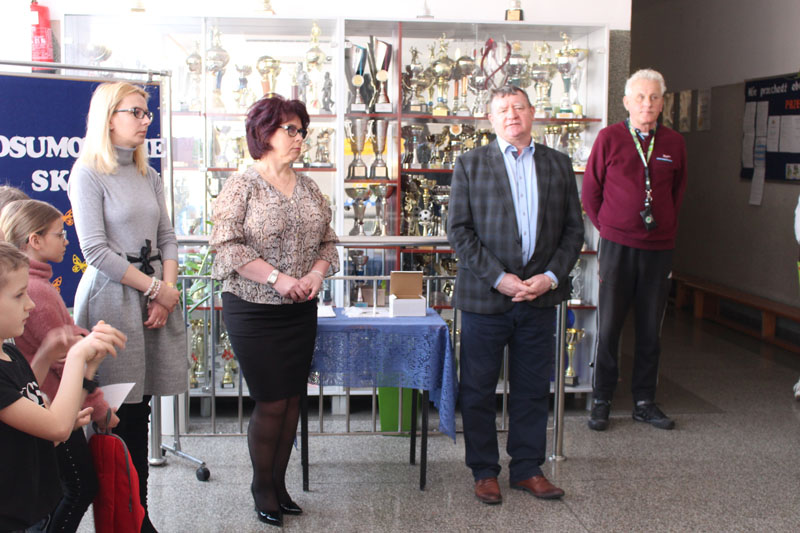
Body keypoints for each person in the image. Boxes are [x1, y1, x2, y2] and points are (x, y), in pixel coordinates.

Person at [448, 85, 584, 505]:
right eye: (503, 109)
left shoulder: (558, 164)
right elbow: (459, 232)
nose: (512, 115)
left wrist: (551, 276)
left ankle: (527, 469)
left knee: (531, 389)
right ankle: (484, 471)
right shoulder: (470, 164)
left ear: (532, 112)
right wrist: (498, 277)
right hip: (486, 299)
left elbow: (573, 231)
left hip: (539, 297)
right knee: (477, 389)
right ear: (491, 119)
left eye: (519, 107)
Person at [210, 95, 339, 527]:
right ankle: (261, 487)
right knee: (270, 401)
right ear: (264, 133)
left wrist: (316, 274)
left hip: (299, 310)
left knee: (292, 401)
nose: (299, 138)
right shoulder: (242, 185)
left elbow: (328, 243)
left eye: (302, 130)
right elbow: (227, 246)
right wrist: (277, 278)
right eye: (291, 129)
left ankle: (280, 486)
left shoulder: (309, 188)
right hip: (253, 309)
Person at [68, 81, 188, 533]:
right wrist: (157, 288)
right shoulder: (88, 173)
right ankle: (127, 519)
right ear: (108, 116)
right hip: (113, 301)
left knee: (143, 411)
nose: (145, 121)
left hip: (153, 298)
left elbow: (168, 238)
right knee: (117, 416)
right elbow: (95, 250)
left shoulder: (147, 173)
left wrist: (166, 291)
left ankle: (139, 515)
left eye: (146, 113)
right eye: (136, 112)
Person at [0, 199, 119, 533]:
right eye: (19, 296)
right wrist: (77, 356)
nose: (29, 304)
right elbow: (54, 427)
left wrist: (56, 357)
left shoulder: (12, 356)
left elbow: (38, 407)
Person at [581, 68, 687, 431]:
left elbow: (678, 192)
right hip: (617, 247)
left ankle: (644, 401)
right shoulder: (609, 138)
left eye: (654, 97)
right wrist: (610, 227)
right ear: (626, 102)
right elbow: (590, 192)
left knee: (650, 328)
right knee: (609, 326)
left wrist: (663, 225)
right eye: (640, 97)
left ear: (662, 103)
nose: (647, 104)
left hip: (658, 248)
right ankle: (602, 400)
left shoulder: (674, 143)